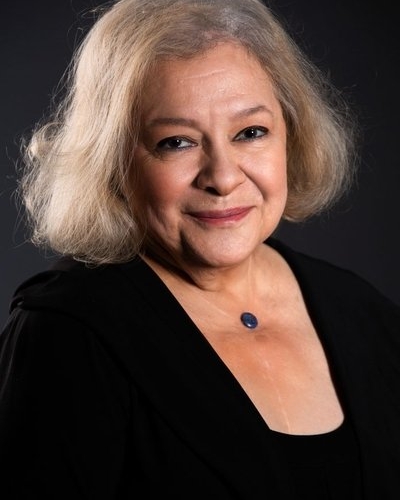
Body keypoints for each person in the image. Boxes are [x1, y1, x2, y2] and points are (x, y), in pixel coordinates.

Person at [0, 0, 399, 498]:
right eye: (176, 142)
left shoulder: (364, 315)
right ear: (114, 161)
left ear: (291, 138)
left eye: (250, 133)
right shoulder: (65, 334)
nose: (223, 177)